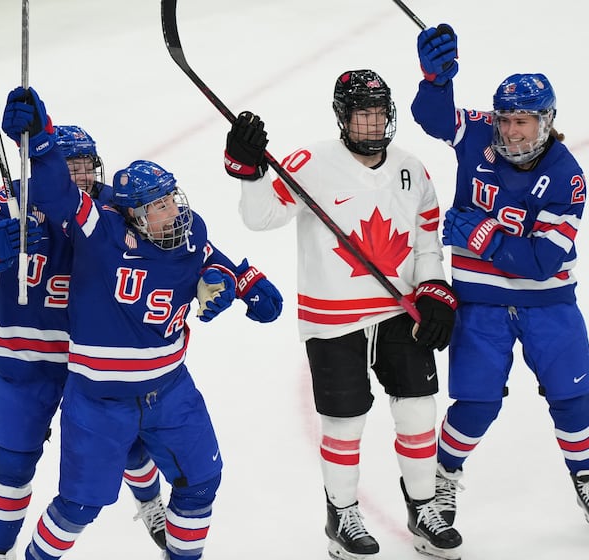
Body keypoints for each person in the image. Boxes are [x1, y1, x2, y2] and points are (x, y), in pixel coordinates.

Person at [0, 86, 284, 560]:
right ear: (133, 216)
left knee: (201, 482)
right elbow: (57, 194)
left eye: (172, 198)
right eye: (158, 206)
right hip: (99, 400)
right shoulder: (101, 231)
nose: (173, 212)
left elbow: (210, 257)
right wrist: (41, 141)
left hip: (172, 392)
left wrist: (244, 283)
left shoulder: (189, 230)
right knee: (79, 506)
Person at [222, 69, 461, 560]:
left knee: (418, 410)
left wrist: (435, 286)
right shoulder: (309, 163)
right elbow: (260, 217)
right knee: (345, 420)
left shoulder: (412, 168)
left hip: (400, 311)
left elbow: (426, 239)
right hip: (331, 318)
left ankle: (423, 506)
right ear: (343, 118)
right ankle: (343, 513)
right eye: (362, 114)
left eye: (379, 114)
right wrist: (251, 171)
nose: (373, 125)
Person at [410, 25, 589, 541]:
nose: (510, 132)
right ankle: (444, 478)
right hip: (480, 304)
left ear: (545, 122)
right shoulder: (480, 132)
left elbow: (541, 262)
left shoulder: (567, 175)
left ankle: (588, 478)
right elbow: (433, 119)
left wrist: (480, 233)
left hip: (548, 306)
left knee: (573, 398)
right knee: (476, 402)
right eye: (505, 120)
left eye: (522, 122)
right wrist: (436, 82)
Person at [0, 124, 170, 559]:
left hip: (92, 359)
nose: (83, 176)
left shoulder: (111, 205)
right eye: (72, 167)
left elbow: (168, 245)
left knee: (129, 442)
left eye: (88, 166)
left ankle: (150, 504)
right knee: (13, 462)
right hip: (24, 358)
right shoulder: (8, 200)